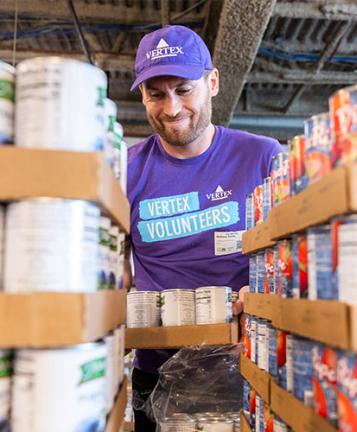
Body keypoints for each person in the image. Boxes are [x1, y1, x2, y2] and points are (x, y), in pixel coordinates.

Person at [124, 25, 282, 431]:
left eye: (183, 88)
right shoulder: (126, 170)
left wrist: (265, 294)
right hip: (156, 370)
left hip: (246, 365)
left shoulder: (263, 158)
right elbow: (111, 267)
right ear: (142, 96)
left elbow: (293, 254)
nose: (172, 108)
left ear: (212, 82)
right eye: (156, 94)